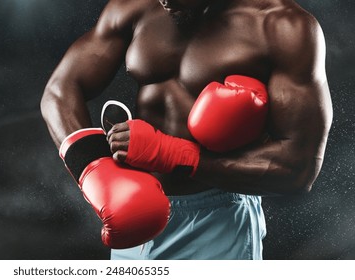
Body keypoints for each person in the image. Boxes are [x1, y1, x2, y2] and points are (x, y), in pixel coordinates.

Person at [40, 0, 332, 260]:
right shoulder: (134, 7)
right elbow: (60, 90)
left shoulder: (282, 26)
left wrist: (173, 153)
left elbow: (299, 170)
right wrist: (94, 170)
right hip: (132, 212)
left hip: (216, 222)